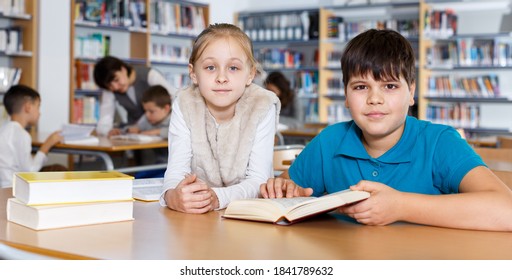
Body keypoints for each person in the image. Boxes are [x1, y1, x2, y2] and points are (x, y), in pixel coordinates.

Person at [260, 29, 512, 231]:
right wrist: (284, 192)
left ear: (411, 92)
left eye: (390, 86)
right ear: (346, 95)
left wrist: (400, 206)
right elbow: (286, 193)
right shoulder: (329, 142)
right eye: (360, 87)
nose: (374, 98)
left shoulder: (439, 143)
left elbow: (507, 210)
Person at [161, 23, 280, 214]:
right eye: (210, 67)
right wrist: (172, 196)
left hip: (247, 217)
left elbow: (259, 180)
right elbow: (176, 171)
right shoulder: (184, 102)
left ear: (250, 74)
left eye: (233, 68)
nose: (221, 77)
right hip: (196, 219)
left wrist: (217, 198)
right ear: (193, 73)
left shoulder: (263, 105)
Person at [93, 56, 175, 136]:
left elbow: (174, 99)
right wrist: (108, 131)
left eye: (116, 80)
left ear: (123, 69)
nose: (115, 87)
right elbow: (104, 120)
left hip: (160, 130)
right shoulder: (110, 89)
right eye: (109, 86)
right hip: (134, 133)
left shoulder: (150, 75)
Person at [0, 85, 64, 188]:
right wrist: (47, 145)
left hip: (4, 187)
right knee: (60, 170)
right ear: (28, 107)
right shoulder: (22, 135)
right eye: (38, 106)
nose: (39, 113)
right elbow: (30, 171)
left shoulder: (3, 130)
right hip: (12, 190)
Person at [126, 84, 171, 165]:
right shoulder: (148, 119)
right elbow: (136, 127)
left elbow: (178, 132)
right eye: (145, 111)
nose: (147, 115)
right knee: (140, 175)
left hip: (174, 166)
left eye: (151, 111)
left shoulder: (176, 118)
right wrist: (129, 129)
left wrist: (156, 132)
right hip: (157, 164)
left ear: (166, 109)